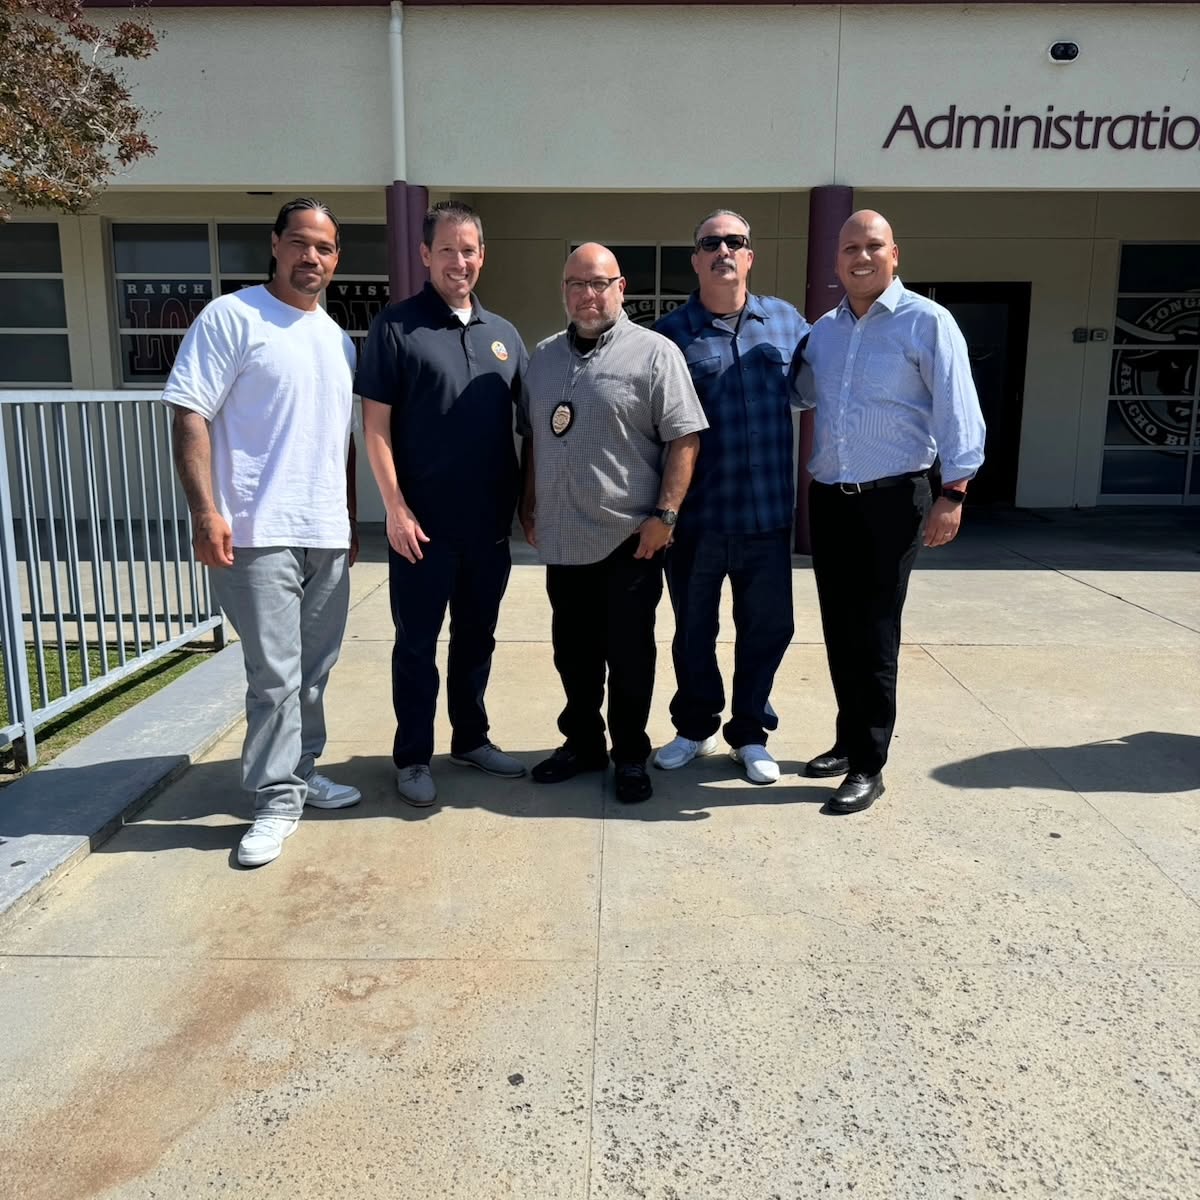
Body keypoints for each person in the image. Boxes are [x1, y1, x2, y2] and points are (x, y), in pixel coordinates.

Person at [165, 197, 361, 868]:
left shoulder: (336, 339)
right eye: (301, 243)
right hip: (254, 530)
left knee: (313, 673)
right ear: (275, 244)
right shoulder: (232, 317)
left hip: (325, 533)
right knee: (274, 675)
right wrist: (205, 512)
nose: (313, 257)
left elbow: (342, 443)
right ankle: (274, 799)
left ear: (337, 258)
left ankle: (301, 775)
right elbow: (190, 415)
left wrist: (348, 518)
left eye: (326, 248)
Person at [792, 209, 986, 814]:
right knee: (838, 627)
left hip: (894, 500)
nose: (861, 256)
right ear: (836, 260)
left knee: (875, 632)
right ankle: (849, 741)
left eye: (873, 246)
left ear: (894, 254)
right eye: (850, 247)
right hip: (832, 501)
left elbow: (960, 411)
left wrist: (953, 494)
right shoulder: (823, 331)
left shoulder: (927, 322)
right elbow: (797, 392)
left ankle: (869, 765)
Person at [520, 243, 708, 804]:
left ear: (620, 287)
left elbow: (685, 437)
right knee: (572, 656)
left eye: (599, 283)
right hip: (561, 538)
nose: (587, 294)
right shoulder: (544, 356)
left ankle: (630, 753)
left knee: (629, 658)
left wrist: (665, 516)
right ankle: (581, 743)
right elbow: (535, 440)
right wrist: (529, 504)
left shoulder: (655, 354)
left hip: (631, 541)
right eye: (576, 283)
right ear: (564, 290)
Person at [356, 201, 528, 809]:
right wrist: (395, 509)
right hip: (421, 529)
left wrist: (527, 506)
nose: (460, 261)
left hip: (489, 528)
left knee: (477, 637)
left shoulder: (504, 335)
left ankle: (471, 739)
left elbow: (529, 429)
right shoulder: (397, 327)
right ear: (426, 255)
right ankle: (412, 756)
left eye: (470, 249)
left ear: (483, 256)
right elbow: (374, 427)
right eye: (448, 249)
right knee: (417, 644)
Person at [653, 209, 809, 784]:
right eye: (710, 242)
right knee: (694, 629)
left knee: (767, 629)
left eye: (735, 242)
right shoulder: (668, 336)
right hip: (697, 521)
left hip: (767, 518)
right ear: (695, 259)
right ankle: (694, 727)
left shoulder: (789, 323)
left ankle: (749, 733)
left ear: (750, 255)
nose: (723, 250)